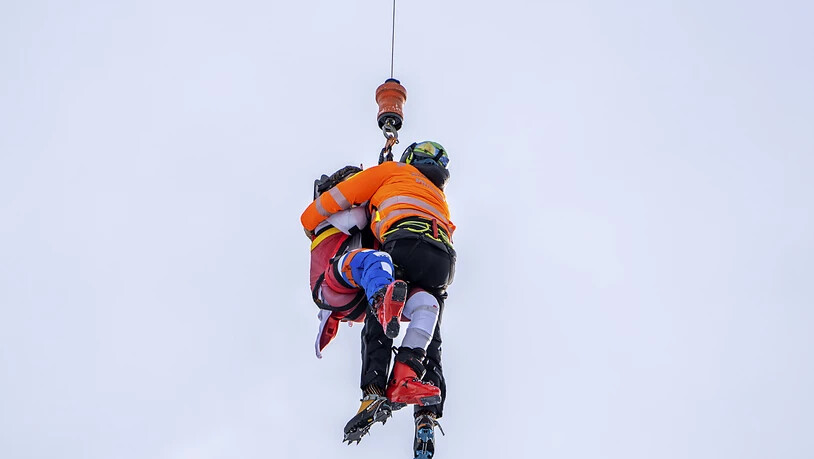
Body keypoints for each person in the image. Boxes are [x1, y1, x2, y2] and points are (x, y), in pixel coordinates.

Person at [302, 141, 456, 455]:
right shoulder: (439, 197)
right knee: (429, 311)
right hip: (443, 260)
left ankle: (377, 385)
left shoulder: (391, 172)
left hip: (396, 247)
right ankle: (413, 381)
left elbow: (333, 206)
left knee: (384, 276)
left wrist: (310, 220)